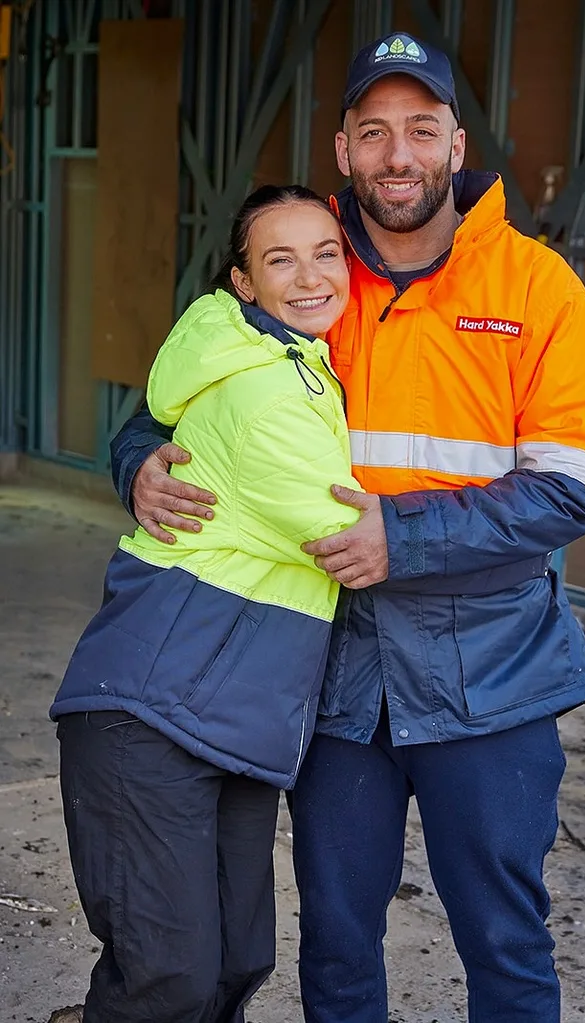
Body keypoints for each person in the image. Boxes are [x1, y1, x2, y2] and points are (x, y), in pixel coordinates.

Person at [110, 32, 585, 1023]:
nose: (399, 154)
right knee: (337, 939)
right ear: (342, 150)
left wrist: (409, 540)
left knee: (505, 939)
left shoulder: (536, 288)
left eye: (421, 130)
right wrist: (137, 465)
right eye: (375, 131)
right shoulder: (305, 273)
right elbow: (167, 405)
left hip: (493, 669)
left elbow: (576, 487)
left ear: (456, 146)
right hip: (332, 666)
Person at [50, 185, 362, 1023]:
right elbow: (360, 543)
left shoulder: (299, 364)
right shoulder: (263, 395)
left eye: (324, 252)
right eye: (279, 259)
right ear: (243, 283)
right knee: (168, 980)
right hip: (150, 715)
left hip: (233, 719)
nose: (309, 276)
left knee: (233, 963)